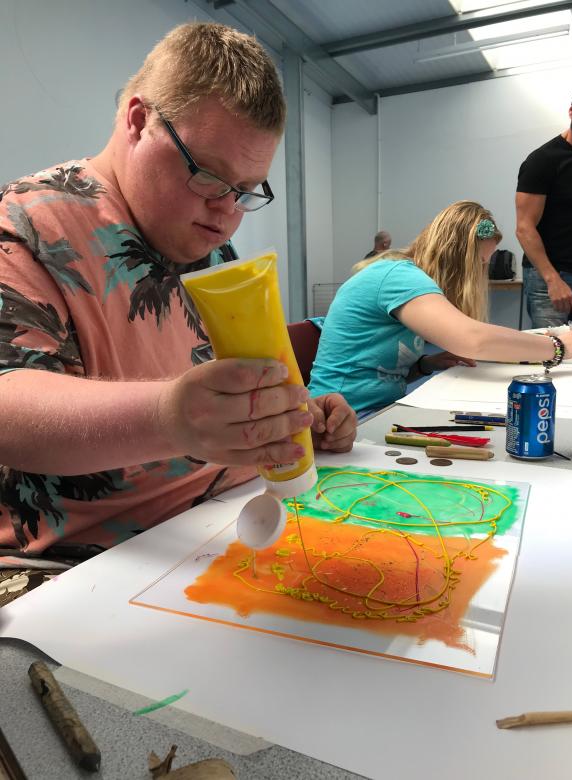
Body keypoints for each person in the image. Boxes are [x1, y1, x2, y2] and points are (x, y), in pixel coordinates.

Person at [0, 22, 356, 566]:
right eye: (210, 177)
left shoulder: (208, 246)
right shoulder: (25, 224)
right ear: (140, 121)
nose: (228, 212)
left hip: (229, 522)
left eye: (246, 190)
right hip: (95, 568)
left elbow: (227, 383)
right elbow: (8, 403)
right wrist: (170, 416)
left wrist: (288, 416)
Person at [308, 201, 572, 417]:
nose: (480, 272)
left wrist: (425, 364)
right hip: (342, 420)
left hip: (371, 410)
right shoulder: (398, 276)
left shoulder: (406, 278)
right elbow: (473, 339)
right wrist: (559, 346)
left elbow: (371, 367)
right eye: (479, 262)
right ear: (456, 257)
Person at [516, 79, 572, 327]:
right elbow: (524, 227)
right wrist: (552, 279)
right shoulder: (542, 161)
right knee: (554, 353)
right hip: (550, 277)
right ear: (571, 111)